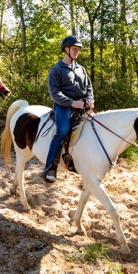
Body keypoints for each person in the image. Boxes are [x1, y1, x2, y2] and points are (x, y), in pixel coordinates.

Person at [42, 35, 94, 183]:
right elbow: (55, 93)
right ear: (66, 49)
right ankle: (50, 167)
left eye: (78, 49)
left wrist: (90, 99)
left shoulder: (81, 69)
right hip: (64, 106)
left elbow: (89, 87)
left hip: (82, 105)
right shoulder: (56, 70)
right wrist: (71, 103)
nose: (77, 52)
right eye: (74, 49)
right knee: (62, 131)